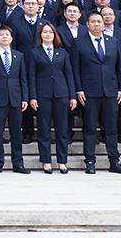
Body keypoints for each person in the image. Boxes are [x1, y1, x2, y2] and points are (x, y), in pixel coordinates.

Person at [72, 12, 121, 174]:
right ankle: (90, 161)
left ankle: (114, 161)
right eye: (93, 22)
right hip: (89, 91)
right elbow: (75, 69)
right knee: (89, 128)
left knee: (111, 128)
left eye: (99, 21)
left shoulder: (114, 42)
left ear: (104, 24)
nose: (97, 24)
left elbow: (120, 68)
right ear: (87, 24)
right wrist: (78, 89)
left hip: (111, 90)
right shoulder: (78, 42)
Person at [28, 23, 75, 174]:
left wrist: (72, 96)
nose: (48, 34)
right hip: (42, 95)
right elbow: (31, 77)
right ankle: (46, 161)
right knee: (44, 129)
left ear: (55, 35)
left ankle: (62, 161)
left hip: (61, 94)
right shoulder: (34, 53)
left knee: (62, 130)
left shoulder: (62, 52)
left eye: (50, 32)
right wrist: (32, 97)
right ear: (40, 35)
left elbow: (69, 75)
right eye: (45, 32)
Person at [0, 26, 29, 174]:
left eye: (7, 35)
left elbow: (23, 79)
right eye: (1, 35)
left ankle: (18, 163)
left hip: (16, 99)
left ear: (11, 38)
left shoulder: (19, 56)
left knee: (16, 132)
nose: (4, 37)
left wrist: (25, 98)